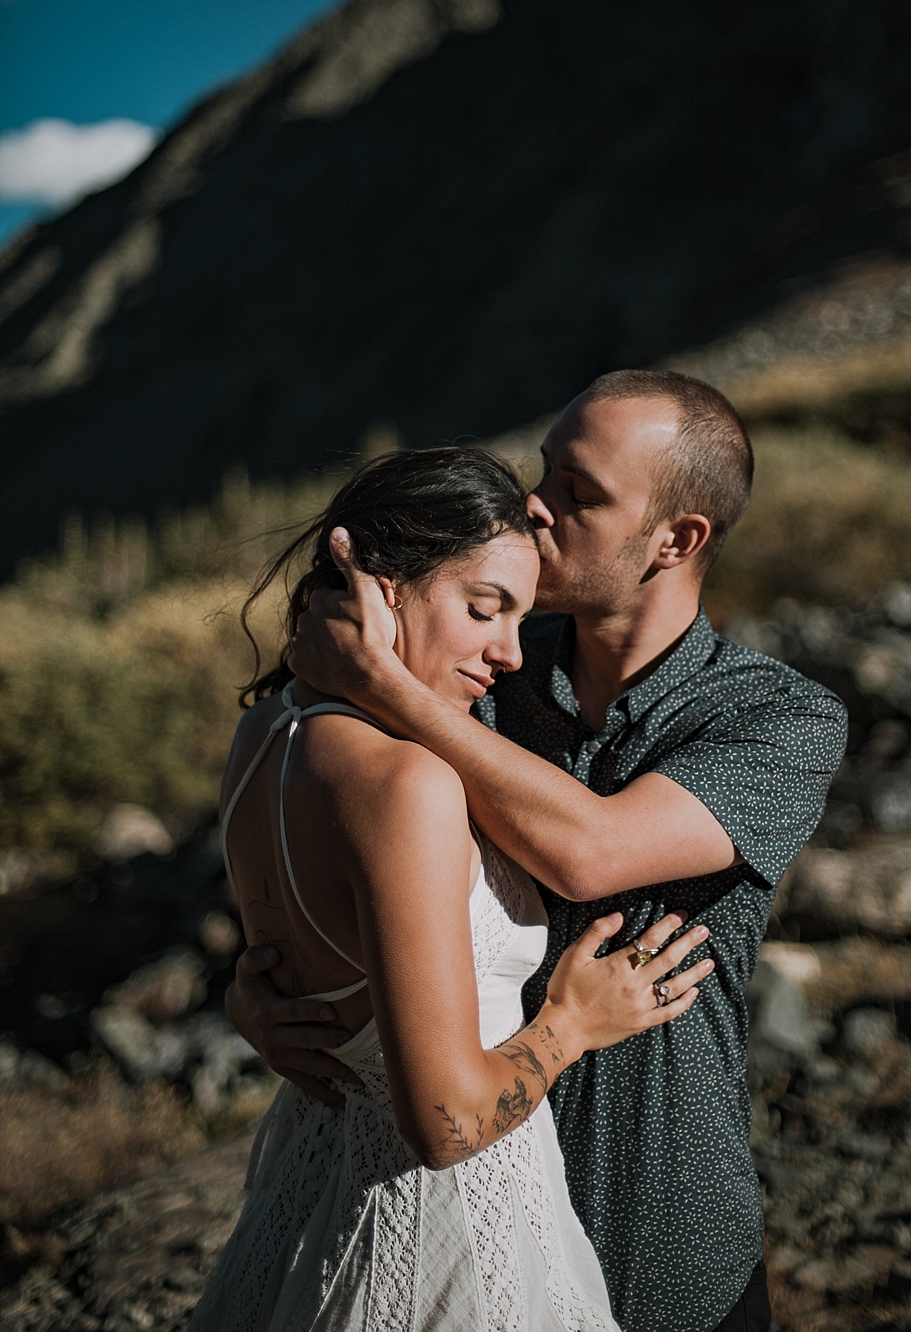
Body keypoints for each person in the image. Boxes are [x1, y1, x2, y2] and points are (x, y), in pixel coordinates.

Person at [229, 370, 848, 1332]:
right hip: (459, 1196)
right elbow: (334, 837)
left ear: (677, 540)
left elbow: (589, 853)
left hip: (655, 1213)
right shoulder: (483, 664)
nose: (535, 505)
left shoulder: (776, 718)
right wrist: (277, 990)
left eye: (580, 491)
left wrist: (390, 689)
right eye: (545, 471)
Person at [193, 446, 715, 1332]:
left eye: (519, 617)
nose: (509, 652)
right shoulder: (406, 786)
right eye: (483, 609)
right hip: (449, 1240)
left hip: (302, 1199)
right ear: (381, 584)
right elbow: (443, 1125)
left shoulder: (261, 737)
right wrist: (571, 1023)